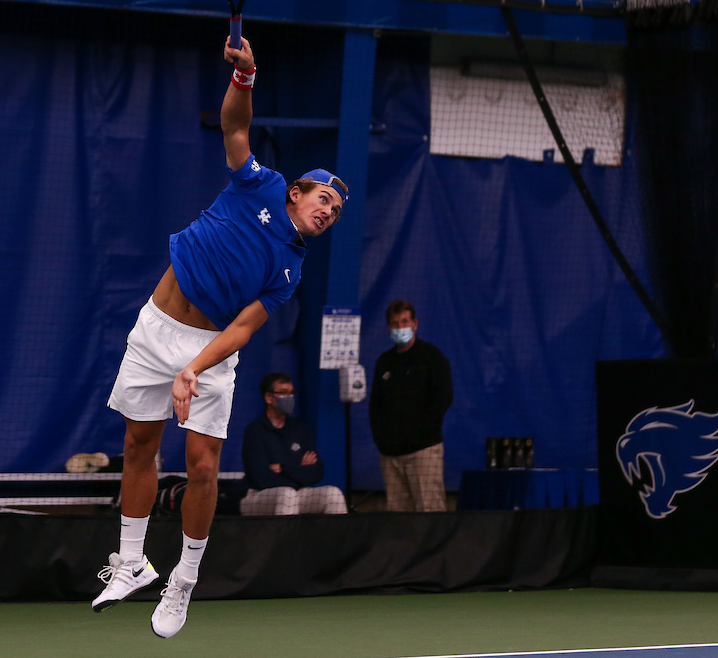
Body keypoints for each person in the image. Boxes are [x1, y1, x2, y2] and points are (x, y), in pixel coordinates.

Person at [91, 36, 349, 639]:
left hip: (207, 354)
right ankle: (131, 561)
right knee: (137, 445)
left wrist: (193, 369)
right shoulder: (258, 183)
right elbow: (236, 127)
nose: (328, 211)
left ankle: (183, 580)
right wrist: (246, 76)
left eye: (336, 211)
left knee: (202, 467)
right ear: (296, 192)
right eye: (324, 199)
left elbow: (240, 329)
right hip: (156, 326)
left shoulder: (290, 272)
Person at [369, 300, 453, 512]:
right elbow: (375, 405)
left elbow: (444, 397)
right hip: (390, 456)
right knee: (397, 518)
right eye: (395, 323)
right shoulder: (384, 362)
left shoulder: (432, 357)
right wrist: (382, 440)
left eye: (405, 322)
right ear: (389, 327)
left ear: (415, 324)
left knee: (429, 513)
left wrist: (423, 433)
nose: (400, 328)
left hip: (423, 452)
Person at [240, 372, 348, 516]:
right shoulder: (255, 431)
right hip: (258, 497)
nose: (289, 398)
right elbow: (261, 478)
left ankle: (334, 539)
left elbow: (317, 472)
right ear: (269, 398)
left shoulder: (299, 428)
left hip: (298, 493)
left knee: (333, 494)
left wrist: (284, 468)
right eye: (284, 393)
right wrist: (298, 470)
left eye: (291, 393)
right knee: (288, 495)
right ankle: (286, 539)